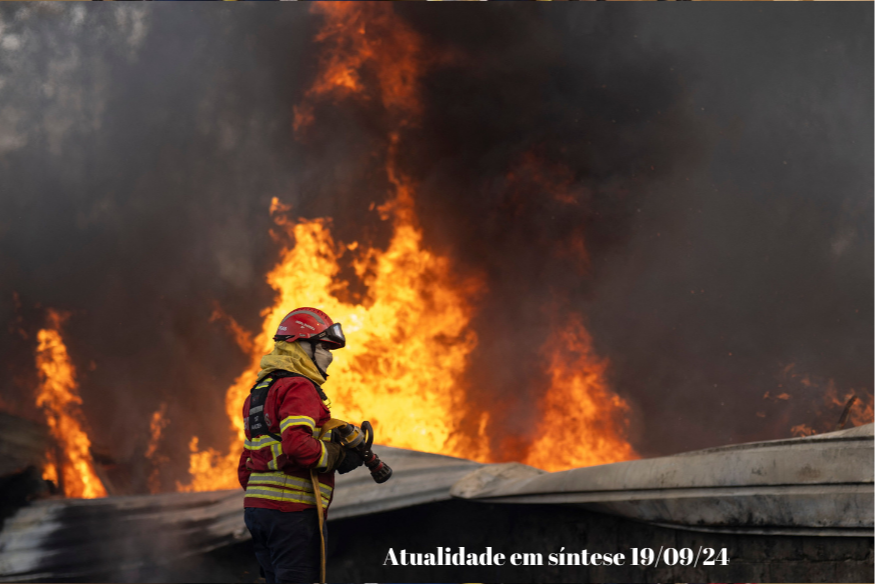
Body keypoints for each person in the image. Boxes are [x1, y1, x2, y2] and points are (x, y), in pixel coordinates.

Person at [237, 307, 363, 583]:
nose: (329, 356)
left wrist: (265, 503)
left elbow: (246, 465)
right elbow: (298, 446)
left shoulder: (259, 392)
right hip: (291, 513)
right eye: (324, 347)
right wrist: (337, 456)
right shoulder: (299, 387)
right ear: (301, 345)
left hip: (257, 511)